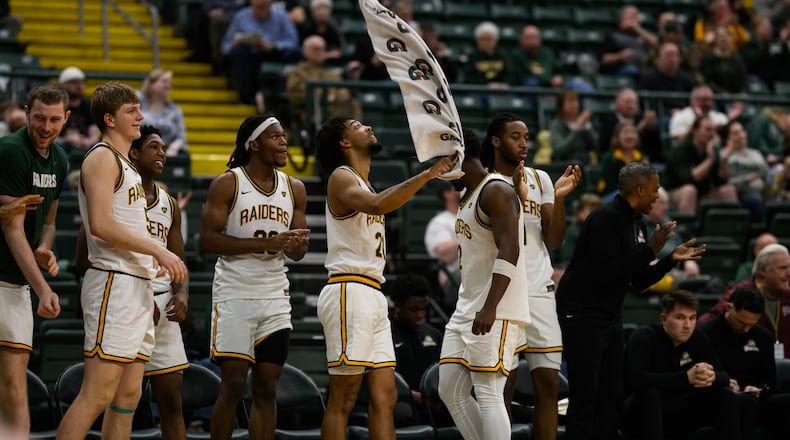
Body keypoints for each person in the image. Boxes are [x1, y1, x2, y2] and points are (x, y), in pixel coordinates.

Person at [56, 82, 187, 439]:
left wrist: (152, 260)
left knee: (129, 394)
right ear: (110, 118)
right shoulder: (101, 156)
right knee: (96, 394)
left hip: (137, 283)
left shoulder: (128, 166)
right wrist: (157, 250)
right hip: (112, 281)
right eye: (132, 111)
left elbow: (126, 225)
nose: (141, 117)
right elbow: (100, 225)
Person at [313, 116, 454, 439]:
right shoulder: (341, 176)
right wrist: (429, 173)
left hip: (374, 293)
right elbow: (378, 205)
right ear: (344, 143)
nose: (368, 127)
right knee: (344, 398)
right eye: (357, 125)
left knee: (385, 397)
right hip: (349, 290)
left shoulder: (365, 181)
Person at [557, 162, 706, 440]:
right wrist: (651, 249)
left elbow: (636, 280)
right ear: (639, 189)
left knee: (612, 396)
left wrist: (669, 260)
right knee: (586, 398)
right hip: (583, 315)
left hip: (609, 315)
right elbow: (609, 273)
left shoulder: (636, 222)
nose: (657, 195)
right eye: (655, 189)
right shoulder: (605, 218)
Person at [200, 115, 309, 439]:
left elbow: (297, 253)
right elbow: (207, 240)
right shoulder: (228, 183)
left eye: (284, 136)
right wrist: (266, 243)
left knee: (267, 388)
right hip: (235, 293)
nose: (283, 142)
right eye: (275, 137)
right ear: (254, 144)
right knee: (233, 386)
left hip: (275, 295)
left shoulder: (295, 188)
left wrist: (297, 247)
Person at [482, 113, 581, 440]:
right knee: (504, 384)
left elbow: (553, 240)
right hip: (505, 290)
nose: (524, 143)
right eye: (515, 136)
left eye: (526, 136)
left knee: (549, 384)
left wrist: (561, 198)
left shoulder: (540, 179)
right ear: (496, 141)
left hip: (539, 289)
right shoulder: (486, 182)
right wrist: (516, 195)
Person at [438, 129, 529, 440]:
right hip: (468, 304)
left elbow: (511, 249)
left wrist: (490, 306)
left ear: (458, 156)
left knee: (489, 392)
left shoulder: (496, 191)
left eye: (443, 160)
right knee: (449, 388)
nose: (439, 170)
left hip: (497, 307)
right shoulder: (468, 195)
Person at [0, 84, 68, 437]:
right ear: (27, 112)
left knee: (14, 385)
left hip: (17, 284)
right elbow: (12, 227)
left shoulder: (60, 159)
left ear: (66, 118)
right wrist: (44, 289)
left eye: (54, 120)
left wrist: (44, 246)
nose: (46, 127)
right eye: (39, 117)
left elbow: (51, 222)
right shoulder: (12, 150)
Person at [130, 125, 190, 439]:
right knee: (120, 402)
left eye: (163, 148)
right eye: (153, 147)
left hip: (163, 308)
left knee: (172, 404)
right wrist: (140, 297)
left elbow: (180, 263)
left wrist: (182, 296)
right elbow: (87, 258)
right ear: (134, 152)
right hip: (126, 303)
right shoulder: (116, 196)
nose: (162, 153)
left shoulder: (168, 203)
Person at [622, 290, 742, 440]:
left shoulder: (697, 337)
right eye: (680, 318)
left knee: (725, 394)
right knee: (649, 394)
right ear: (664, 318)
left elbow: (724, 376)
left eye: (692, 318)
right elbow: (637, 380)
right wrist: (686, 378)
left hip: (682, 409)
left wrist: (711, 377)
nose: (687, 325)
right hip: (643, 410)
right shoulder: (644, 336)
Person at [698, 286, 790, 438]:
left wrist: (759, 389)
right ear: (729, 308)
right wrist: (723, 383)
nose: (746, 329)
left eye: (751, 324)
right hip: (720, 398)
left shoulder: (763, 337)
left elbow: (770, 382)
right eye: (741, 322)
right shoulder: (705, 333)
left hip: (755, 398)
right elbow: (699, 377)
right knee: (742, 403)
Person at [700, 243, 790, 358]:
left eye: (789, 267)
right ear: (763, 269)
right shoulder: (741, 293)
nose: (789, 273)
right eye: (783, 268)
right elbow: (709, 321)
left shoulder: (787, 294)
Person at [221, 0, 301, 106]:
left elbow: (293, 42)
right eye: (255, 7)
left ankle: (281, 97)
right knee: (240, 51)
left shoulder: (281, 16)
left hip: (274, 54)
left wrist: (273, 46)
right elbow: (225, 47)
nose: (258, 11)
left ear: (269, 6)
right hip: (249, 56)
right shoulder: (241, 16)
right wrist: (235, 43)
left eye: (262, 7)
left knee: (296, 54)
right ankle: (246, 97)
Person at [663, 115, 739, 215]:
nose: (712, 134)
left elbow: (722, 180)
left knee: (728, 190)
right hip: (674, 192)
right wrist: (710, 160)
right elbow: (689, 178)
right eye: (708, 130)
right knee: (689, 191)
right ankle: (686, 229)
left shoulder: (711, 149)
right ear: (695, 131)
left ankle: (731, 228)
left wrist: (724, 159)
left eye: (713, 130)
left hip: (701, 193)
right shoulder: (681, 149)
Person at [389, 273, 442, 405]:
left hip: (433, 405)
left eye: (423, 309)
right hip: (400, 403)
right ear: (397, 304)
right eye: (414, 310)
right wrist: (418, 399)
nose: (420, 315)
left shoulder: (434, 334)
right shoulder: (384, 335)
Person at [285, 35, 357, 130]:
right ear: (305, 51)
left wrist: (333, 96)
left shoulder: (331, 73)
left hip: (337, 112)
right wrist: (324, 95)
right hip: (311, 112)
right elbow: (295, 96)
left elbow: (343, 91)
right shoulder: (297, 72)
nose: (320, 52)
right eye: (316, 49)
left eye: (322, 49)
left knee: (348, 99)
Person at [720, 121, 770, 222]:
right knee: (755, 202)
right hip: (740, 196)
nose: (742, 135)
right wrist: (747, 179)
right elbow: (725, 183)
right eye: (736, 133)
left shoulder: (755, 153)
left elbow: (766, 173)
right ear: (727, 139)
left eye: (742, 131)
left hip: (763, 193)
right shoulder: (724, 156)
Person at [597, 88, 662, 162]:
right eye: (627, 102)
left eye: (634, 102)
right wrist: (637, 130)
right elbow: (606, 146)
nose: (631, 105)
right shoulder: (608, 122)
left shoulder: (642, 120)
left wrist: (651, 128)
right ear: (617, 104)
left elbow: (656, 150)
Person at [423, 180, 460, 311]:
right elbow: (445, 255)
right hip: (452, 280)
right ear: (447, 194)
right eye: (457, 186)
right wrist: (470, 237)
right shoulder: (439, 222)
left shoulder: (471, 216)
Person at [139, 69, 188, 157]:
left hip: (168, 152)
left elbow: (181, 137)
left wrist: (173, 149)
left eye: (169, 82)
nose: (168, 85)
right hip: (140, 151)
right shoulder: (138, 103)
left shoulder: (174, 109)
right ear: (152, 84)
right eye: (164, 81)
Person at [668, 85, 742, 142]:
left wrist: (729, 120)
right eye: (704, 100)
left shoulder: (720, 117)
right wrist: (698, 122)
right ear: (693, 100)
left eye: (710, 100)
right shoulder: (680, 116)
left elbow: (728, 140)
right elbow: (679, 140)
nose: (708, 104)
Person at [599, 5, 657, 77]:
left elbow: (657, 44)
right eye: (632, 16)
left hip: (645, 70)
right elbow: (604, 59)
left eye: (637, 16)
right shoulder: (613, 36)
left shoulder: (642, 35)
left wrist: (637, 29)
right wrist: (620, 56)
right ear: (622, 17)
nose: (636, 19)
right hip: (623, 71)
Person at [597, 122, 646, 200]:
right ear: (617, 137)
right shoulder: (610, 158)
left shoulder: (641, 157)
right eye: (626, 133)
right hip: (612, 196)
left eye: (633, 133)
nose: (629, 136)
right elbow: (609, 186)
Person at [548, 89, 597, 165]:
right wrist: (577, 129)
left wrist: (587, 127)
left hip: (585, 164)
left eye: (576, 101)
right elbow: (560, 150)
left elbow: (596, 146)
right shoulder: (556, 124)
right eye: (570, 101)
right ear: (561, 105)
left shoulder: (583, 121)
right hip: (564, 165)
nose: (574, 105)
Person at [57, 66, 99, 154]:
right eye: (74, 82)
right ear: (63, 85)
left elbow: (94, 134)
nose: (79, 86)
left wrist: (87, 141)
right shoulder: (56, 105)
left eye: (81, 82)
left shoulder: (89, 105)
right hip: (61, 145)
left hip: (84, 145)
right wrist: (66, 139)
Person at [699, 26, 747, 94]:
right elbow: (706, 81)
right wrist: (722, 93)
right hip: (715, 96)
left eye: (726, 36)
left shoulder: (737, 58)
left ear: (731, 38)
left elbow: (742, 81)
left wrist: (740, 98)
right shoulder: (708, 58)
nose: (723, 39)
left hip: (735, 97)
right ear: (716, 39)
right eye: (720, 36)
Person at [461, 21, 510, 87]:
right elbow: (469, 79)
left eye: (489, 39)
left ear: (495, 41)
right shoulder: (471, 57)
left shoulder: (502, 56)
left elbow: (510, 75)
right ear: (477, 41)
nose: (486, 43)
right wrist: (487, 85)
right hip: (480, 91)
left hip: (501, 91)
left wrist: (502, 84)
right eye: (483, 39)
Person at [297, 0, 344, 66]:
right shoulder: (305, 29)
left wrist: (321, 55)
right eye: (318, 9)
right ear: (312, 12)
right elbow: (301, 50)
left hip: (328, 65)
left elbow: (336, 52)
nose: (322, 12)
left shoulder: (334, 31)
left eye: (325, 9)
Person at [559, 193, 601, 266]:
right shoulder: (572, 231)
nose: (595, 213)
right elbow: (568, 259)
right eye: (591, 209)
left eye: (598, 210)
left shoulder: (602, 232)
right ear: (580, 211)